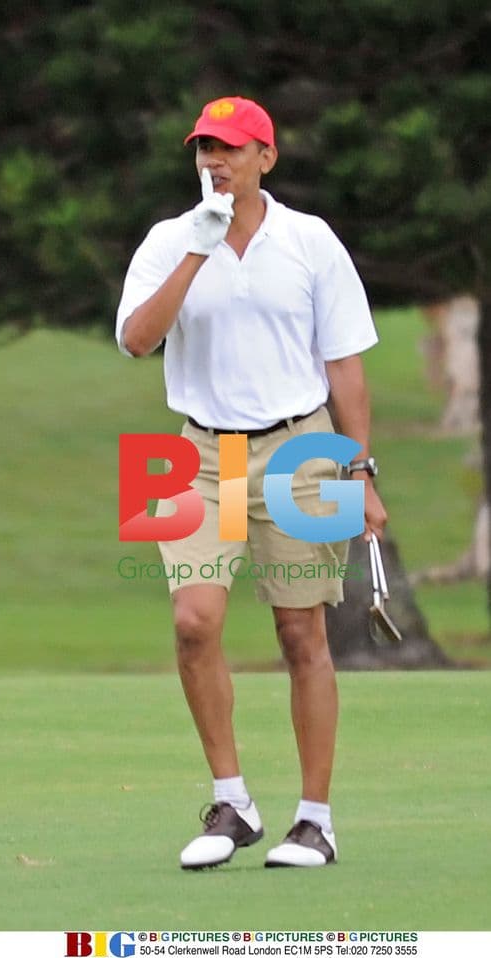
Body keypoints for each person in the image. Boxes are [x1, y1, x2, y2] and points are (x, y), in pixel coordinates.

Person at [115, 96, 387, 870]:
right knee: (193, 621)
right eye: (205, 147)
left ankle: (315, 821)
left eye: (231, 148)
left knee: (303, 633)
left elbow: (344, 365)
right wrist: (196, 251)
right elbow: (136, 340)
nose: (215, 160)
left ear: (266, 157)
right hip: (195, 452)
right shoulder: (169, 240)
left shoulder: (311, 240)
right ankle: (232, 802)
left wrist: (361, 469)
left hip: (304, 445)